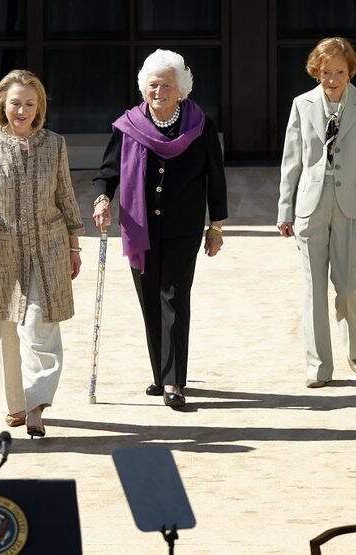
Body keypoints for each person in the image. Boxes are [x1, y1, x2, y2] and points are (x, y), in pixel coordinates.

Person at [92, 49, 227, 409]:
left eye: (167, 85)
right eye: (153, 84)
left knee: (174, 297)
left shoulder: (201, 126)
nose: (159, 91)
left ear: (181, 90)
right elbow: (107, 173)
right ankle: (160, 374)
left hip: (183, 228)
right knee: (150, 299)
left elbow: (216, 178)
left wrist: (215, 227)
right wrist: (102, 199)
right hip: (140, 228)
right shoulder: (128, 125)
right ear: (144, 88)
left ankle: (173, 382)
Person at [0, 69, 84, 438]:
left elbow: (65, 196)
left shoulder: (55, 144)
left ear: (39, 107)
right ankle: (15, 405)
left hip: (48, 249)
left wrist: (75, 244)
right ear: (3, 104)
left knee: (40, 328)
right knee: (4, 330)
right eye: (15, 103)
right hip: (0, 253)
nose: (22, 110)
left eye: (30, 104)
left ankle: (36, 405)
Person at [277, 37, 356, 388]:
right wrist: (285, 209)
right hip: (310, 207)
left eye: (339, 71)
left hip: (353, 209)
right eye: (326, 72)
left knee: (349, 287)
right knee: (313, 289)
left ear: (350, 70)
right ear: (316, 71)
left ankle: (354, 339)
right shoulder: (301, 105)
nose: (333, 78)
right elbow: (291, 160)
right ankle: (319, 366)